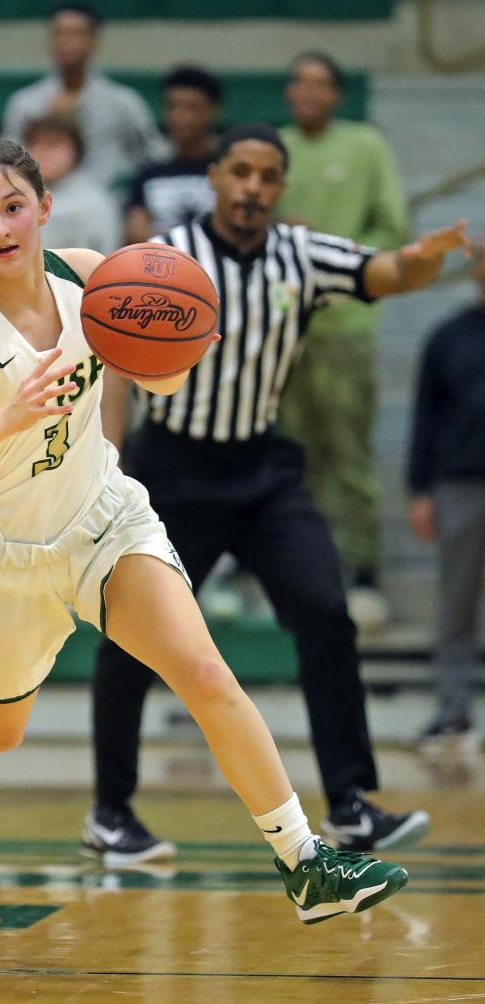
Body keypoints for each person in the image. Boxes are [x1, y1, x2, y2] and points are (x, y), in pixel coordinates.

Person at [0, 134, 413, 928]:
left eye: (14, 205)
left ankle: (305, 861)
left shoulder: (89, 274)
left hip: (105, 520)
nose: (1, 223)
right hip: (7, 560)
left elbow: (155, 371)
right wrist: (6, 418)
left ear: (43, 207)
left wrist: (182, 353)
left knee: (205, 673)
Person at [85, 121, 466, 867]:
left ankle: (352, 804)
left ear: (279, 187)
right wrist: (110, 459)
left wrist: (422, 262)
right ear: (217, 177)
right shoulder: (166, 262)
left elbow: (383, 273)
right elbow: (118, 364)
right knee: (133, 638)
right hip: (173, 473)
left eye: (268, 176)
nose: (254, 188)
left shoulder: (302, 252)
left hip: (263, 471)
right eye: (241, 173)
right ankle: (111, 812)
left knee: (327, 611)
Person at [276, 52, 410, 633]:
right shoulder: (272, 148)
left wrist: (330, 249)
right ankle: (299, 574)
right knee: (290, 456)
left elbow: (393, 229)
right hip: (280, 330)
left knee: (349, 454)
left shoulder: (364, 146)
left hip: (346, 327)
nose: (308, 92)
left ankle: (363, 572)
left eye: (320, 83)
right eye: (298, 82)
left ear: (337, 94)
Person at [407, 241, 485, 751]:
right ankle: (454, 709)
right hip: (460, 485)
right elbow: (425, 420)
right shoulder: (447, 338)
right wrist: (420, 490)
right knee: (456, 603)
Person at [2, 4, 165, 189]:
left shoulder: (123, 102)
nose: (65, 41)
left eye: (75, 34)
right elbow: (9, 165)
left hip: (109, 206)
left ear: (94, 41)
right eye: (58, 33)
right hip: (43, 205)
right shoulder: (25, 104)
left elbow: (154, 154)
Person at [124, 64, 222, 245]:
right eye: (173, 106)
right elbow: (135, 234)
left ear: (213, 111)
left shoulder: (227, 170)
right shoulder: (149, 173)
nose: (180, 116)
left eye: (191, 107)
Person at [22, 113, 121, 254]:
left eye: (53, 143)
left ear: (75, 152)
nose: (42, 151)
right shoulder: (16, 194)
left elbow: (99, 262)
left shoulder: (93, 201)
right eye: (35, 143)